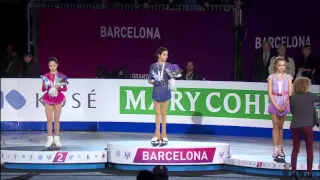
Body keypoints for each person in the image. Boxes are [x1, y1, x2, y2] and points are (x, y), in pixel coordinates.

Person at [289, 77, 319, 180]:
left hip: (295, 126)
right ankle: (309, 173)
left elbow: (292, 112)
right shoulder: (310, 96)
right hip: (307, 126)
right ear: (306, 86)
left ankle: (293, 172)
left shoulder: (291, 98)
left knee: (295, 149)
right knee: (309, 149)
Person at [267, 57, 293, 159]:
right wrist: (276, 105)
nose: (282, 67)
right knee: (275, 125)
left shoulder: (289, 77)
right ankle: (275, 148)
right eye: (280, 65)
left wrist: (285, 105)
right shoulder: (271, 77)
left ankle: (280, 147)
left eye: (283, 65)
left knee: (281, 126)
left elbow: (290, 93)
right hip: (274, 101)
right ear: (276, 66)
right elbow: (269, 92)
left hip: (285, 101)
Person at [41, 57, 68, 149]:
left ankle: (57, 139)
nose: (52, 67)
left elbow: (65, 88)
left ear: (57, 65)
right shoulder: (45, 76)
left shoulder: (61, 76)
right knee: (49, 120)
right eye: (50, 66)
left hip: (58, 98)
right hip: (48, 98)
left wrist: (57, 88)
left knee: (56, 119)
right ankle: (49, 139)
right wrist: (45, 85)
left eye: (53, 65)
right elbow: (43, 89)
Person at [148, 47, 172, 145]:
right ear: (159, 55)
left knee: (164, 114)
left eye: (167, 55)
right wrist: (154, 81)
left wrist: (176, 74)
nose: (166, 56)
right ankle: (157, 134)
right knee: (157, 114)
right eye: (164, 54)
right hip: (156, 91)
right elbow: (149, 80)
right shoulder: (153, 66)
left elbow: (173, 77)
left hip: (166, 91)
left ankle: (164, 135)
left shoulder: (169, 65)